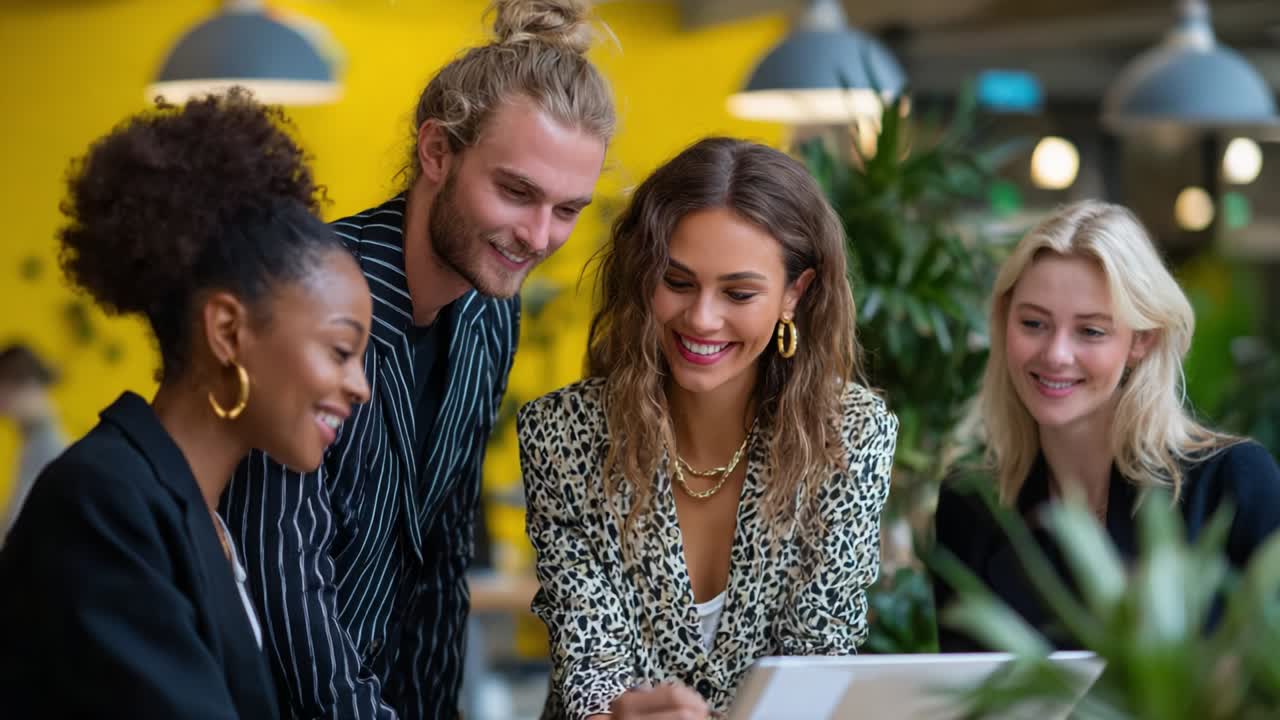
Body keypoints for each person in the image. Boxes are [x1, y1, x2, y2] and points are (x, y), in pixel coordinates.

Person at [218, 1, 615, 717]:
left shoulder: (490, 314)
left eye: (567, 209)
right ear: (436, 152)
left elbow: (439, 562)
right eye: (516, 192)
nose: (538, 236)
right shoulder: (306, 294)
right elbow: (281, 577)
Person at [0, 89, 373, 718]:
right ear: (227, 332)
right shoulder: (102, 504)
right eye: (340, 350)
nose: (360, 385)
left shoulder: (199, 516)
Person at [518, 137, 898, 720]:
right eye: (677, 282)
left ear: (795, 293)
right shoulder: (563, 434)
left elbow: (818, 660)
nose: (701, 318)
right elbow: (590, 669)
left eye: (738, 293)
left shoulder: (850, 437)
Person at [931, 200, 1280, 651]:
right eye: (1034, 323)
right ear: (1004, 322)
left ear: (1142, 340)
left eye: (1091, 331)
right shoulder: (970, 505)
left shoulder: (1232, 484)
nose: (1056, 354)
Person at [0, 343, 68, 543]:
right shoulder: (34, 444)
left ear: (30, 384)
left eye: (6, 387)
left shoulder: (49, 449)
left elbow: (16, 527)